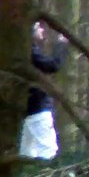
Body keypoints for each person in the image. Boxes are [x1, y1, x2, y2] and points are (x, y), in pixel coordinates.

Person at [19, 21, 69, 160]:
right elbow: (52, 65)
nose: (41, 30)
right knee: (48, 149)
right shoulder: (28, 51)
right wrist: (62, 44)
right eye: (37, 27)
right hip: (37, 107)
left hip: (30, 108)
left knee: (27, 153)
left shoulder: (26, 50)